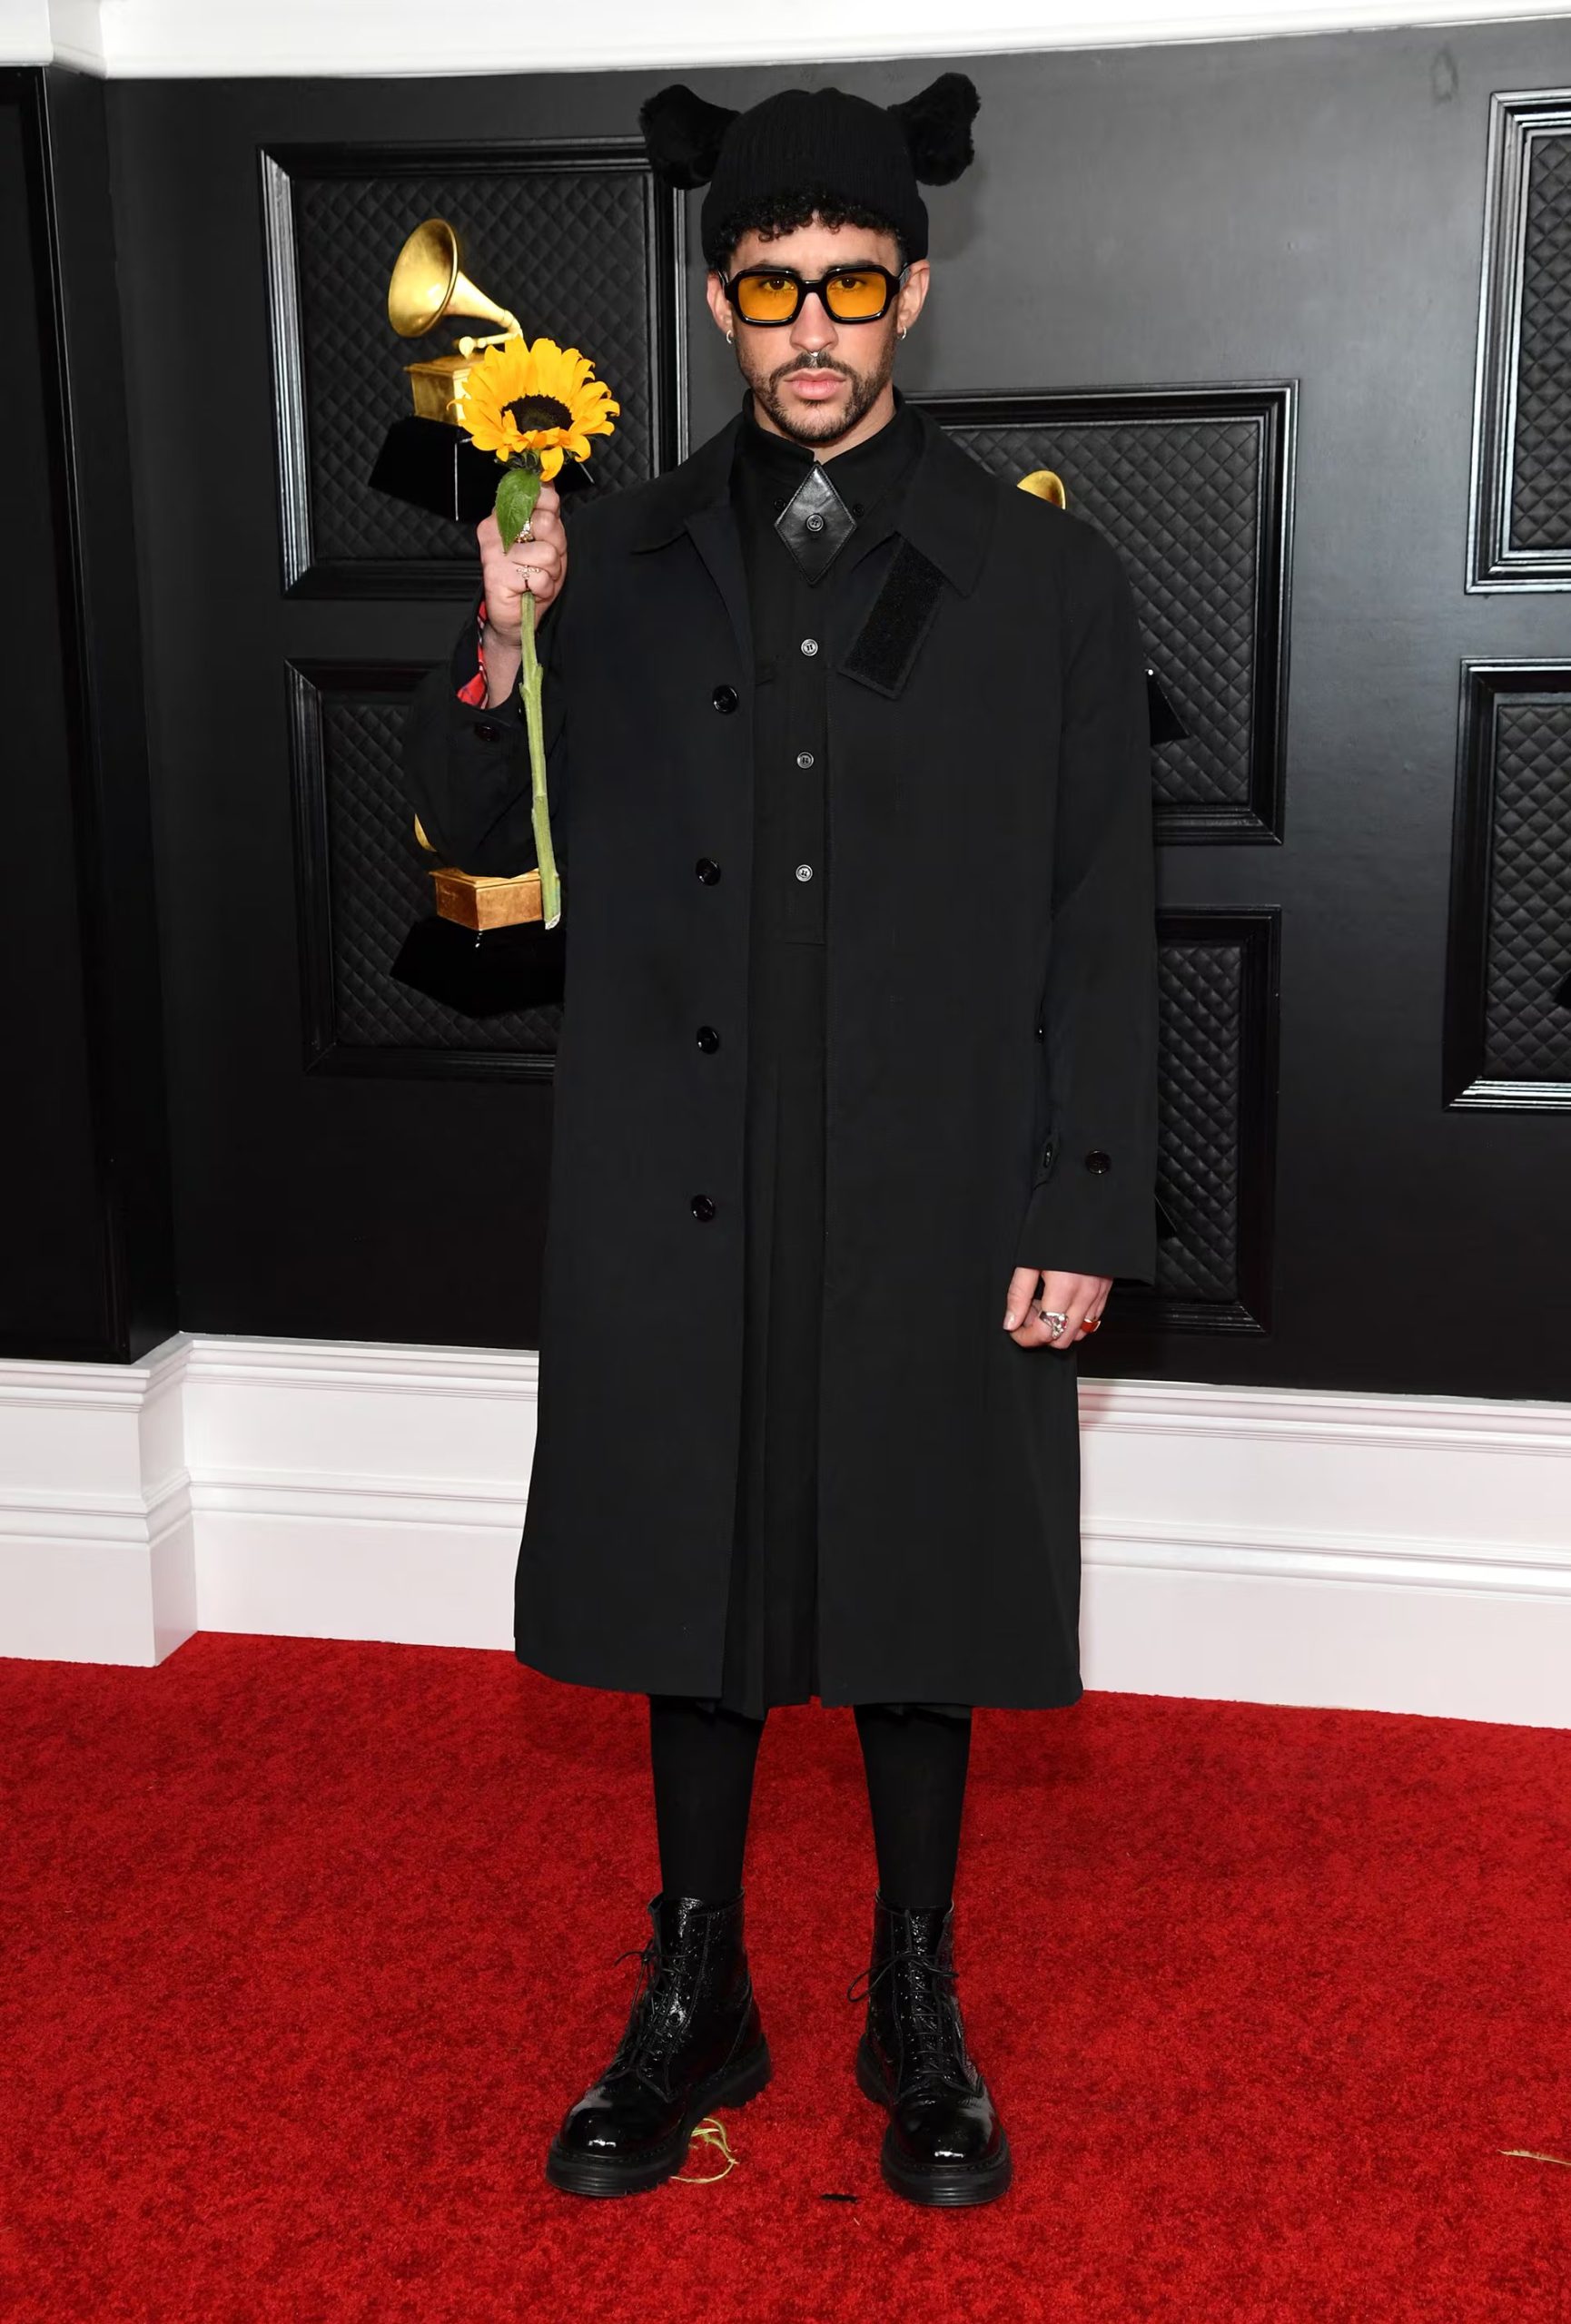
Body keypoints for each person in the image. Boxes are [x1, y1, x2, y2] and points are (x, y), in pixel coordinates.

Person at [400, 70, 1160, 2209]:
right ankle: (697, 1981)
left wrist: (1079, 1187)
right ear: (718, 298)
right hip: (682, 1172)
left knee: (918, 1593)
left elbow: (1106, 907)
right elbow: (482, 892)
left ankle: (913, 1991)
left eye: (848, 282)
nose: (810, 324)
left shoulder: (1044, 585)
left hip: (938, 1178)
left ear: (910, 287)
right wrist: (499, 635)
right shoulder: (607, 561)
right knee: (690, 1591)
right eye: (767, 286)